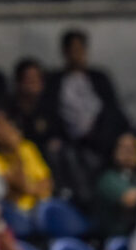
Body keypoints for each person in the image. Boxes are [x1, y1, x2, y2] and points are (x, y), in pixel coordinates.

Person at [45, 28, 129, 157]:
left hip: (100, 137)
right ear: (65, 52)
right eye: (72, 50)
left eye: (79, 50)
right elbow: (50, 111)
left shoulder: (99, 78)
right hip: (68, 139)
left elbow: (112, 108)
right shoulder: (55, 81)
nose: (76, 55)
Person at [0, 108, 52, 211]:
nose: (7, 128)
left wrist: (28, 189)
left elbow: (47, 182)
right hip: (14, 211)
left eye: (7, 123)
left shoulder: (27, 147)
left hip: (42, 206)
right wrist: (16, 150)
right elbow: (14, 185)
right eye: (0, 125)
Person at [96, 132, 136, 238]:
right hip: (115, 237)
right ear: (114, 151)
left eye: (133, 147)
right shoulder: (108, 178)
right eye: (123, 147)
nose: (129, 151)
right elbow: (130, 201)